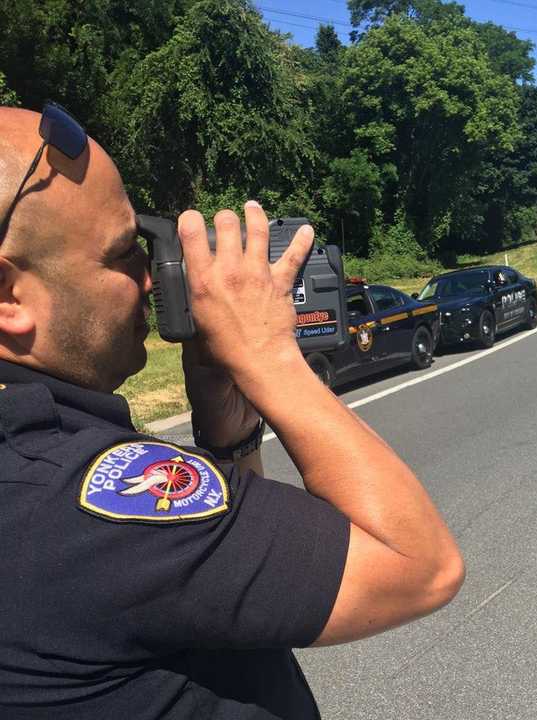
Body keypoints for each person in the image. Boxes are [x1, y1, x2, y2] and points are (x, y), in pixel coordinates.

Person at [0, 105, 464, 719]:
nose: (149, 278)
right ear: (9, 297)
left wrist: (230, 433)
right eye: (122, 255)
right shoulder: (73, 496)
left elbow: (213, 583)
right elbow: (421, 566)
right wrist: (267, 355)